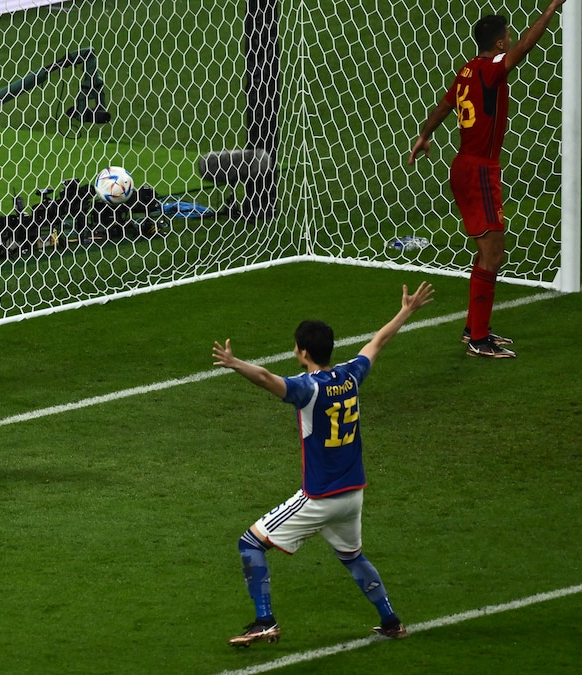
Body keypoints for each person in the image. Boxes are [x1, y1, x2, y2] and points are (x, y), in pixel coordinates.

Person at [213, 282, 435, 647]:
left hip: (320, 496)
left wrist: (235, 363)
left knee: (250, 542)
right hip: (353, 494)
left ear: (303, 352)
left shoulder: (308, 389)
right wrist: (406, 311)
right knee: (352, 557)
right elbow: (377, 343)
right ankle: (391, 621)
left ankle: (265, 621)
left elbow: (267, 379)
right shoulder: (350, 376)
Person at [407, 0, 566, 358]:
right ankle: (479, 340)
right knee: (493, 253)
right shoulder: (492, 70)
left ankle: (474, 330)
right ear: (499, 43)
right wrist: (552, 8)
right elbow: (526, 47)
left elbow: (444, 106)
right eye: (508, 36)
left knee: (486, 252)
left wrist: (424, 135)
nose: (511, 40)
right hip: (478, 170)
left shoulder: (467, 70)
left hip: (465, 167)